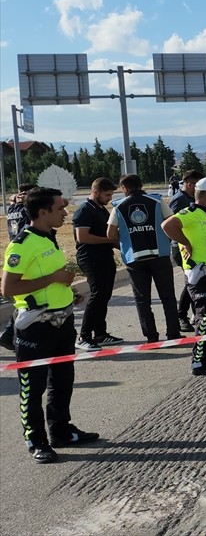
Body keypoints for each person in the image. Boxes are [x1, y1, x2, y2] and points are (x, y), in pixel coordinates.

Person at [2, 187, 100, 463]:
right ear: (42, 212)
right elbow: (9, 287)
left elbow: (51, 279)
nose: (64, 213)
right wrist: (54, 279)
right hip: (35, 326)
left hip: (62, 321)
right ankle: (36, 440)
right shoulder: (22, 243)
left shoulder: (49, 238)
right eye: (59, 208)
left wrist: (68, 293)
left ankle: (61, 430)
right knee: (32, 387)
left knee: (62, 380)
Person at [162, 177, 206, 375]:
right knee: (205, 317)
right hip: (202, 274)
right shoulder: (190, 213)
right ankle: (199, 361)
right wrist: (185, 242)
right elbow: (168, 226)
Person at [107, 174, 182, 342]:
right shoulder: (156, 201)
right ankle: (173, 333)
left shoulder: (118, 206)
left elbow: (109, 233)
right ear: (141, 185)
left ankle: (151, 336)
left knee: (142, 300)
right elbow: (172, 221)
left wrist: (125, 237)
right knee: (167, 296)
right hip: (160, 254)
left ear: (124, 188)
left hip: (134, 258)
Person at [73, 178, 122, 350]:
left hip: (104, 256)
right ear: (96, 192)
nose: (109, 198)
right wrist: (109, 240)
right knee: (97, 295)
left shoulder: (101, 209)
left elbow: (111, 236)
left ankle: (100, 334)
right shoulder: (84, 210)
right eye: (107, 194)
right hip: (90, 257)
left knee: (104, 296)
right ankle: (84, 336)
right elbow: (82, 237)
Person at [0, 183, 37, 351]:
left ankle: (10, 335)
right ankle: (10, 335)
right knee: (28, 301)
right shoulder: (26, 210)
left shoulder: (12, 208)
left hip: (16, 249)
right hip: (27, 251)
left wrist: (14, 197)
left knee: (25, 300)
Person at [169, 170, 204, 332]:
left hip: (192, 245)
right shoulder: (179, 201)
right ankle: (181, 315)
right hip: (181, 247)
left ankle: (192, 313)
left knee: (194, 281)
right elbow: (172, 225)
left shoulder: (189, 198)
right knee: (191, 282)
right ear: (190, 184)